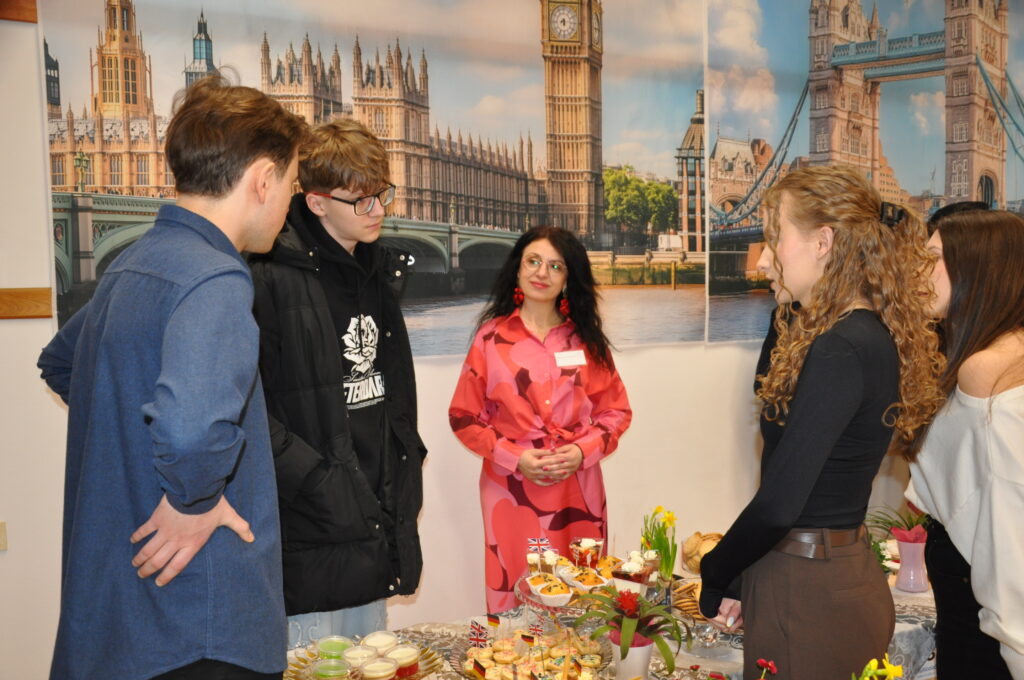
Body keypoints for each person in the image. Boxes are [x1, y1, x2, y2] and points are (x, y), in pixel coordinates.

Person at [37, 76, 307, 680]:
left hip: (123, 621)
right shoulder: (215, 278)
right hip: (200, 623)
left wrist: (137, 453)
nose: (289, 204)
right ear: (263, 179)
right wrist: (193, 499)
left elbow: (61, 363)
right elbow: (189, 434)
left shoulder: (133, 264)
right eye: (292, 185)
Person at [697, 165, 945, 680]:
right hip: (824, 574)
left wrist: (716, 569)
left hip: (806, 592)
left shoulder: (839, 348)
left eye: (775, 238)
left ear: (823, 242)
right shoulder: (862, 334)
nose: (762, 259)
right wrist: (743, 575)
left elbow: (781, 502)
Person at [248, 119, 426, 643]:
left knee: (374, 660)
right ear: (317, 202)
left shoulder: (378, 272)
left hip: (375, 515)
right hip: (311, 524)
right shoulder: (267, 276)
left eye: (382, 195)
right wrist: (317, 481)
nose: (378, 211)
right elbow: (249, 410)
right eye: (361, 200)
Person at [448, 226, 632, 613]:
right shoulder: (490, 338)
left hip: (577, 484)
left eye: (555, 266)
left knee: (582, 591)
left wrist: (582, 452)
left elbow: (616, 411)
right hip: (510, 485)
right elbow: (463, 417)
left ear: (568, 278)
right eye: (533, 261)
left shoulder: (585, 340)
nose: (542, 272)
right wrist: (515, 457)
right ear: (517, 269)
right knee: (516, 590)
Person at [903, 206, 1024, 679]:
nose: (920, 272)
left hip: (989, 626)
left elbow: (1005, 525)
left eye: (934, 258)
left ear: (979, 268)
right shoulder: (1001, 353)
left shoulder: (985, 370)